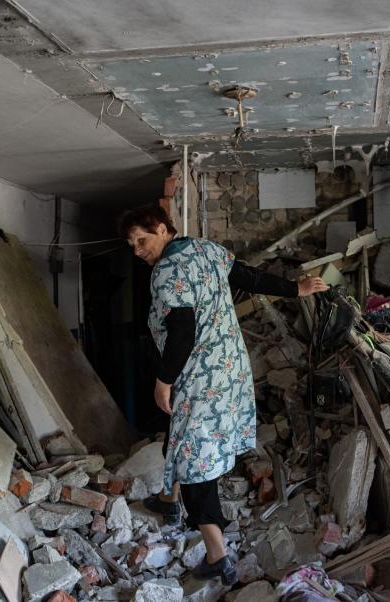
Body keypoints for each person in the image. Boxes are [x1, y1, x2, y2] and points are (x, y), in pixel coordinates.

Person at [117, 204, 329, 585]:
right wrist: (295, 289)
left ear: (164, 229)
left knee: (198, 464)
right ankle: (168, 501)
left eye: (142, 241)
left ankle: (217, 555)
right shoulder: (205, 249)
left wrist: (162, 380)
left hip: (197, 378)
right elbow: (247, 275)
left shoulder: (166, 272)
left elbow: (183, 332)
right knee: (182, 439)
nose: (138, 251)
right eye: (132, 245)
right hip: (228, 371)